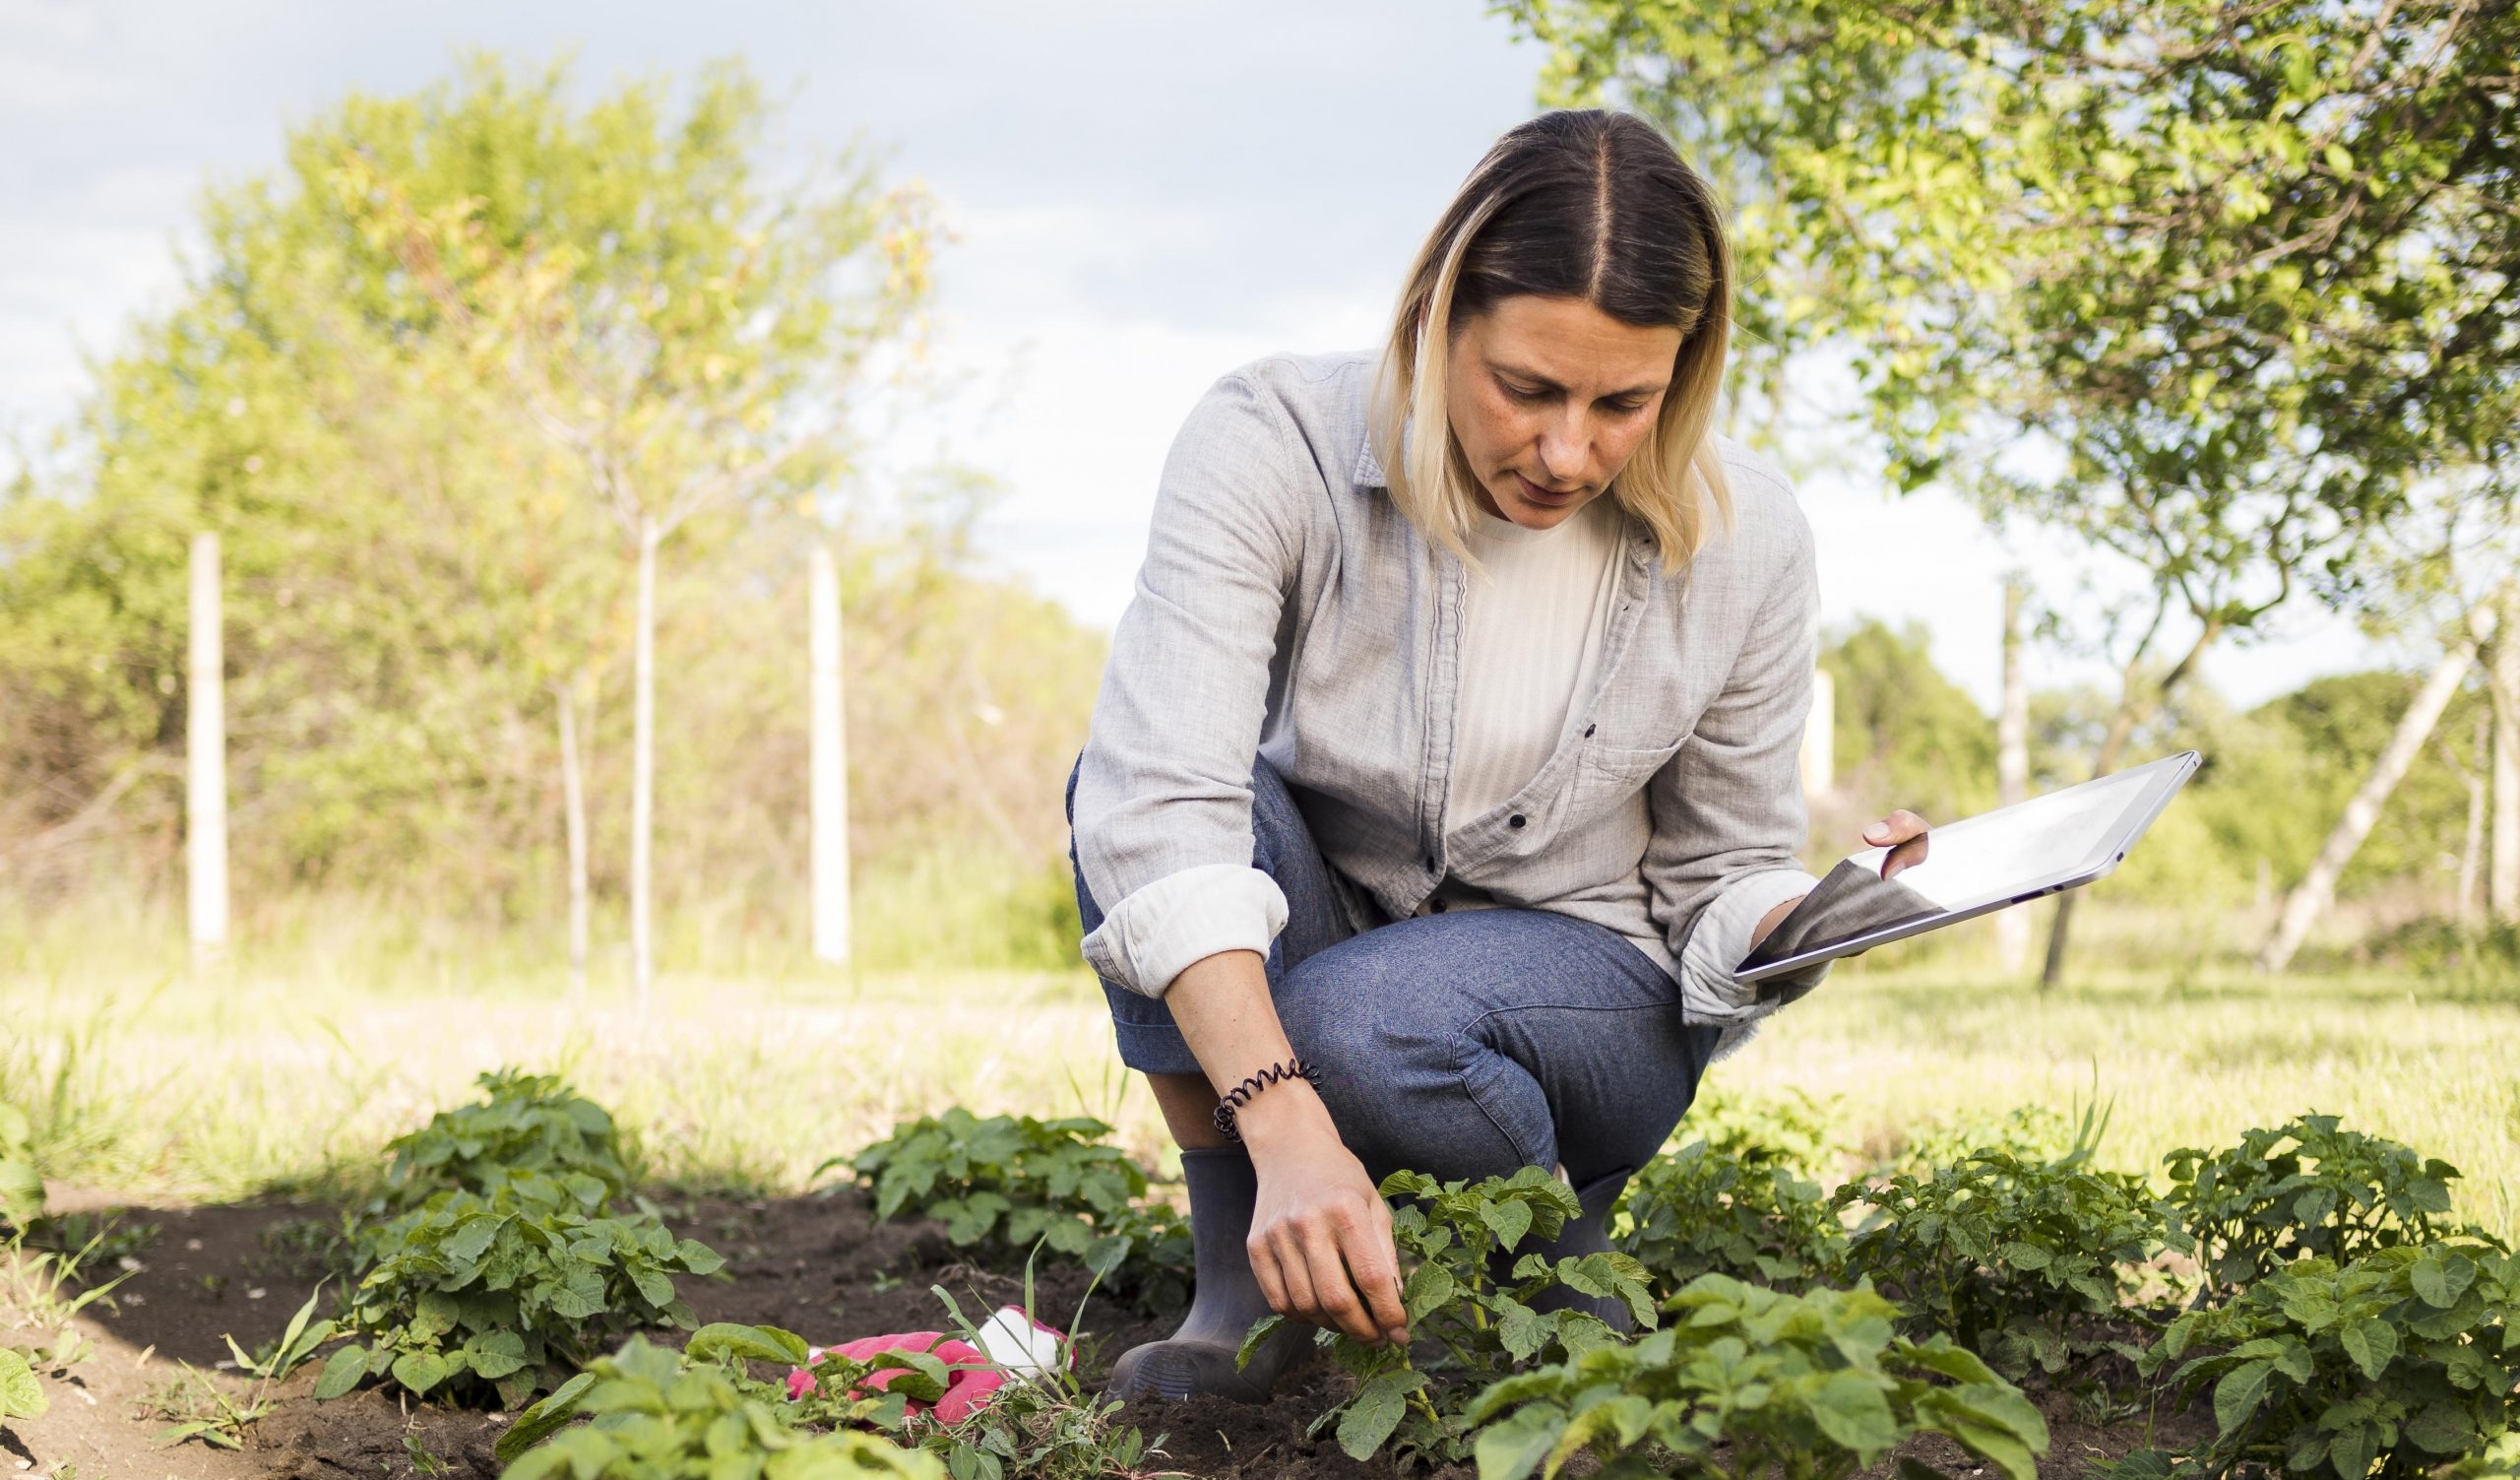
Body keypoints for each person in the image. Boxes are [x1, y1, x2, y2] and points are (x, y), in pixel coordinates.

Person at [1062, 108, 1929, 1405]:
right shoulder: (1270, 446)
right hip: (1343, 921)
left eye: (1624, 403)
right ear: (1435, 319)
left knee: (1358, 1023)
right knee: (1135, 799)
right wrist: (1283, 1122)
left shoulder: (1747, 540)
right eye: (1526, 388)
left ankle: (1544, 1276)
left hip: (1596, 988)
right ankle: (1250, 1309)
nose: (1568, 452)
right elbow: (1163, 811)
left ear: (1682, 374)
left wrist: (1800, 918)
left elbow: (1722, 869)